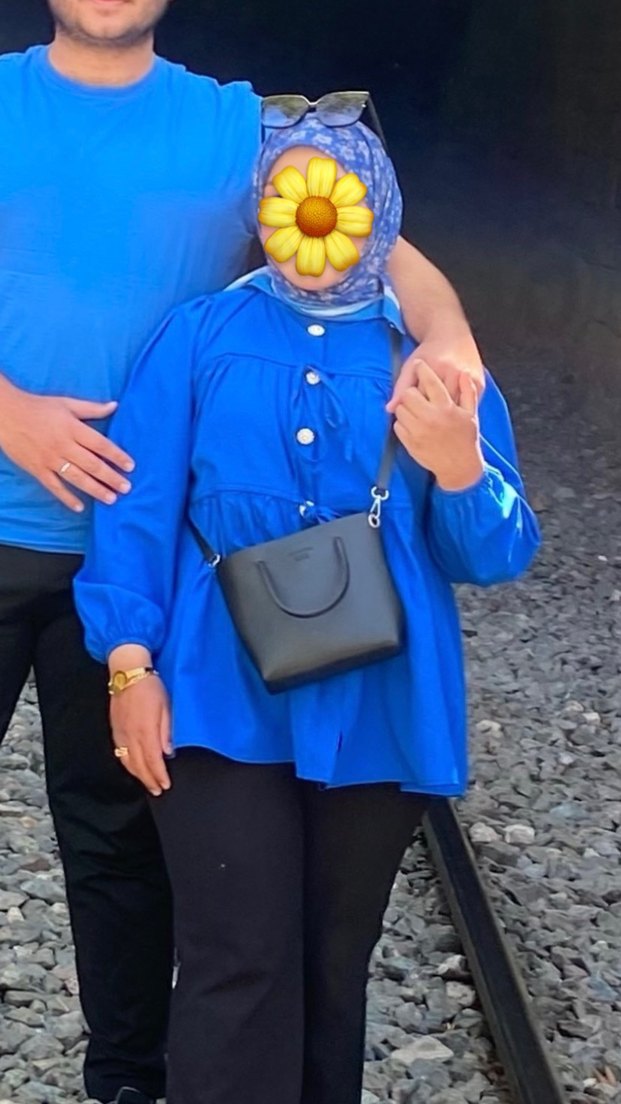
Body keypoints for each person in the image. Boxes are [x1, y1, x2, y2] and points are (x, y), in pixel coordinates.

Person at [0, 4, 488, 1102]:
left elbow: (375, 235)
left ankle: (129, 1080)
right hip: (15, 518)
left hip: (139, 552)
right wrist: (6, 411)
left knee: (122, 844)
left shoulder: (234, 127)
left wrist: (451, 341)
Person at [74, 114, 541, 1104]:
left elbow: (493, 556)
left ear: (381, 212)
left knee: (334, 966)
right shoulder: (200, 334)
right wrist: (127, 665)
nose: (313, 223)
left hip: (378, 704)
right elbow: (135, 510)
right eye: (290, 202)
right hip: (213, 693)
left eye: (338, 200)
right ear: (262, 213)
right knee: (235, 956)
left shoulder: (429, 358)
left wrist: (460, 469)